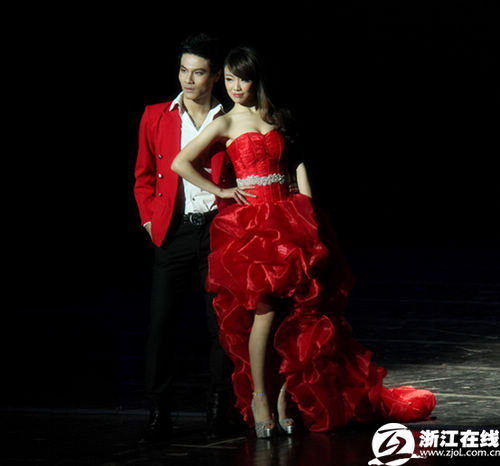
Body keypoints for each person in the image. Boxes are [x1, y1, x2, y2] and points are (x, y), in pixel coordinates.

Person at [171, 46, 436, 438]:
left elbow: (296, 163)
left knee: (296, 315)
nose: (235, 86)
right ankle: (261, 397)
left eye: (242, 78)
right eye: (228, 79)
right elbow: (180, 162)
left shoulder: (277, 117)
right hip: (253, 228)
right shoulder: (225, 122)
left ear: (256, 78)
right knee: (264, 312)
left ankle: (283, 399)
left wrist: (308, 212)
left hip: (290, 219)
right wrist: (222, 191)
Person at [133, 33, 236, 443]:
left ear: (216, 76)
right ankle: (158, 413)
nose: (188, 80)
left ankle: (219, 410)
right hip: (172, 231)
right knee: (161, 324)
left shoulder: (229, 119)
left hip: (217, 232)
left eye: (198, 72)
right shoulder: (155, 115)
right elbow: (143, 176)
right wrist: (149, 221)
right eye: (183, 70)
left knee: (220, 326)